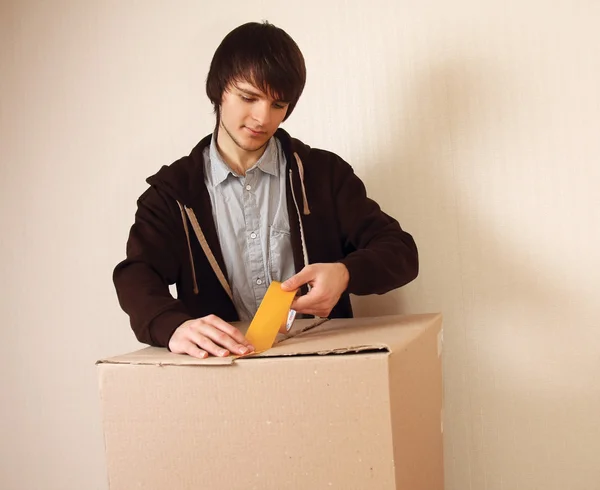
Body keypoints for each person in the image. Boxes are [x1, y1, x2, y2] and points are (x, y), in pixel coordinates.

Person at [113, 21, 418, 359]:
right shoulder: (172, 193)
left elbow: (400, 251)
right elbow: (137, 274)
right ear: (218, 89)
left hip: (321, 365)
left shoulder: (323, 175)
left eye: (278, 104)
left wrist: (345, 274)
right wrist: (171, 326)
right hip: (222, 373)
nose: (262, 117)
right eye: (249, 97)